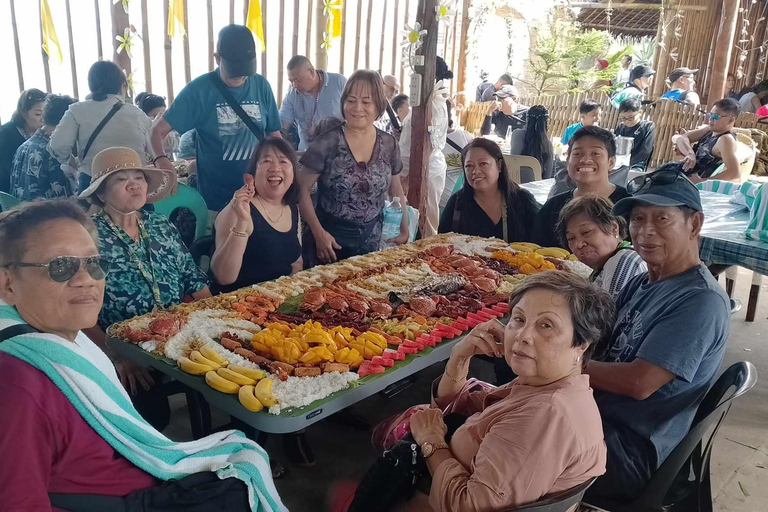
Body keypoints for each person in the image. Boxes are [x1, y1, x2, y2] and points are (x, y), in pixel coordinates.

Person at [0, 200, 286, 511]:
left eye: (94, 263)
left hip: (141, 478)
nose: (85, 279)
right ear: (7, 283)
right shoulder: (17, 387)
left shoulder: (64, 342)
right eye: (60, 265)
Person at [334, 271, 614, 512]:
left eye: (546, 325)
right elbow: (456, 407)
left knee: (338, 490)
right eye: (518, 319)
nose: (523, 336)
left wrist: (432, 443)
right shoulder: (545, 386)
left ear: (582, 344)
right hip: (436, 485)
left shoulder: (546, 415)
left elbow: (469, 506)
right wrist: (459, 358)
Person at [584, 170, 729, 501]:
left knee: (504, 446)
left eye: (661, 218)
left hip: (628, 450)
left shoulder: (699, 301)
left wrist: (561, 365)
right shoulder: (643, 280)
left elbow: (639, 383)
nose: (645, 231)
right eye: (637, 219)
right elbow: (600, 336)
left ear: (694, 225)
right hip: (597, 416)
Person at [78, 147, 209, 429]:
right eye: (120, 179)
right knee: (151, 414)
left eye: (139, 176)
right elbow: (77, 307)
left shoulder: (160, 225)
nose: (134, 183)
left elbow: (194, 280)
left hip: (179, 331)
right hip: (126, 346)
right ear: (101, 194)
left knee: (237, 375)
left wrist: (212, 324)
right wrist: (116, 355)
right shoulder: (88, 238)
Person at [150, 25, 282, 214]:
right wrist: (162, 161)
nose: (240, 77)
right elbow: (155, 132)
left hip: (260, 195)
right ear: (218, 58)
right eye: (234, 71)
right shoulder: (199, 91)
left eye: (245, 72)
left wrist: (284, 166)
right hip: (217, 201)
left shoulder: (261, 85)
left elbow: (274, 135)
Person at [298, 70, 409, 266]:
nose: (357, 108)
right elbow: (301, 190)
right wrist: (319, 234)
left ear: (378, 105)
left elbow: (396, 190)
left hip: (372, 243)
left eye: (366, 102)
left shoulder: (389, 143)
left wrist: (404, 229)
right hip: (328, 244)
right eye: (351, 100)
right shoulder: (328, 141)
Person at [211, 137, 301, 293]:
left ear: (293, 174)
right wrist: (242, 222)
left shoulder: (291, 207)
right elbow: (223, 278)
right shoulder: (238, 208)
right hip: (237, 303)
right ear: (251, 175)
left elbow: (296, 262)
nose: (275, 168)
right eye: (266, 161)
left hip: (280, 298)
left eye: (283, 161)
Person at [50, 61, 151, 195]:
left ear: (91, 84)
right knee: (137, 216)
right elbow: (156, 144)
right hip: (133, 182)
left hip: (93, 180)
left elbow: (58, 145)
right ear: (122, 86)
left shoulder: (77, 110)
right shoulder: (137, 114)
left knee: (92, 216)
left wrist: (73, 163)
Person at [533, 126, 631, 248]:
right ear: (568, 162)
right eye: (577, 153)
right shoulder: (552, 208)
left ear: (611, 162)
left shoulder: (629, 207)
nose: (585, 159)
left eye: (595, 153)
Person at [439, 137, 539, 242]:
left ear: (499, 165)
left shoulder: (523, 201)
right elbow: (440, 244)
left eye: (483, 164)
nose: (475, 171)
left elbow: (541, 245)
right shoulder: (456, 204)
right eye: (469, 166)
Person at [400, 56, 453, 237]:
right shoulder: (423, 103)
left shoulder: (436, 106)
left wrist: (408, 178)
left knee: (426, 224)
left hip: (426, 171)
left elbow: (428, 145)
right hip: (407, 168)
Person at [557, 195, 646, 299]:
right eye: (571, 238)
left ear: (613, 228)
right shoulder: (608, 264)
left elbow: (608, 314)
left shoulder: (624, 260)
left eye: (586, 232)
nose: (579, 244)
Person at [10, 94, 77, 201]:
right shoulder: (55, 151)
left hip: (22, 213)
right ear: (68, 121)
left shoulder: (23, 146)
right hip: (48, 215)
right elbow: (66, 200)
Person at [279, 56, 347, 151]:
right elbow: (281, 127)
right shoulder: (292, 94)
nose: (294, 85)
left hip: (338, 152)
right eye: (291, 81)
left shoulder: (339, 82)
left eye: (297, 80)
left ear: (311, 72)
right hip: (307, 155)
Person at [679, 98, 741, 182]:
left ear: (731, 120)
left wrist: (701, 181)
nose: (711, 119)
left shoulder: (726, 139)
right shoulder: (710, 130)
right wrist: (690, 154)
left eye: (715, 116)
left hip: (694, 186)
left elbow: (734, 172)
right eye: (710, 115)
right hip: (684, 178)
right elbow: (682, 138)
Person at [0, 89, 47, 193]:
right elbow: (5, 170)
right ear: (24, 113)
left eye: (45, 114)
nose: (43, 119)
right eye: (38, 114)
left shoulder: (45, 132)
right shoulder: (6, 133)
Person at [509, 104, 554, 179]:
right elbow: (548, 176)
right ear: (545, 122)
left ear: (527, 119)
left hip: (515, 183)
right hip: (536, 188)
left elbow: (513, 159)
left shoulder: (517, 134)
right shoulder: (548, 145)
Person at [615, 97, 656, 171]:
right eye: (623, 118)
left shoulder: (647, 126)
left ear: (640, 113)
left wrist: (628, 163)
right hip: (619, 163)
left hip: (637, 164)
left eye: (631, 118)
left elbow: (645, 150)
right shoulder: (621, 127)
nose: (627, 121)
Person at [136, 92, 180, 160]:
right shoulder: (141, 132)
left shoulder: (171, 129)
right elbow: (168, 144)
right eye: (155, 116)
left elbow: (175, 145)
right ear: (145, 118)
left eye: (164, 116)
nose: (161, 120)